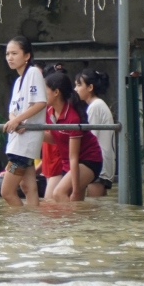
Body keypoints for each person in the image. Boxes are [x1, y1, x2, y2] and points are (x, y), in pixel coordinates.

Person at [42, 69, 103, 202]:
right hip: (70, 163)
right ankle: (78, 222)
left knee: (58, 193)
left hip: (88, 160)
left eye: (45, 90)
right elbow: (56, 139)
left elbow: (74, 157)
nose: (42, 95)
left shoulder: (72, 118)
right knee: (74, 204)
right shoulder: (49, 111)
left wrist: (75, 190)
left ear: (56, 92)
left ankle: (68, 222)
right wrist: (34, 133)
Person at [0, 36, 47, 207]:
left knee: (6, 192)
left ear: (27, 55)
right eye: (7, 54)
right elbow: (12, 111)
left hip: (24, 144)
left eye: (14, 53)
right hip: (18, 140)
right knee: (28, 187)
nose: (10, 58)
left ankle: (20, 224)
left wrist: (19, 121)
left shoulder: (33, 72)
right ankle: (32, 224)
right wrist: (15, 121)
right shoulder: (18, 80)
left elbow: (41, 102)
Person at [77, 70, 116, 198]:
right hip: (103, 162)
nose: (75, 89)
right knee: (98, 208)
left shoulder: (95, 107)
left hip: (98, 164)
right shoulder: (97, 105)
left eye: (78, 85)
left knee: (94, 209)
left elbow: (90, 137)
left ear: (90, 87)